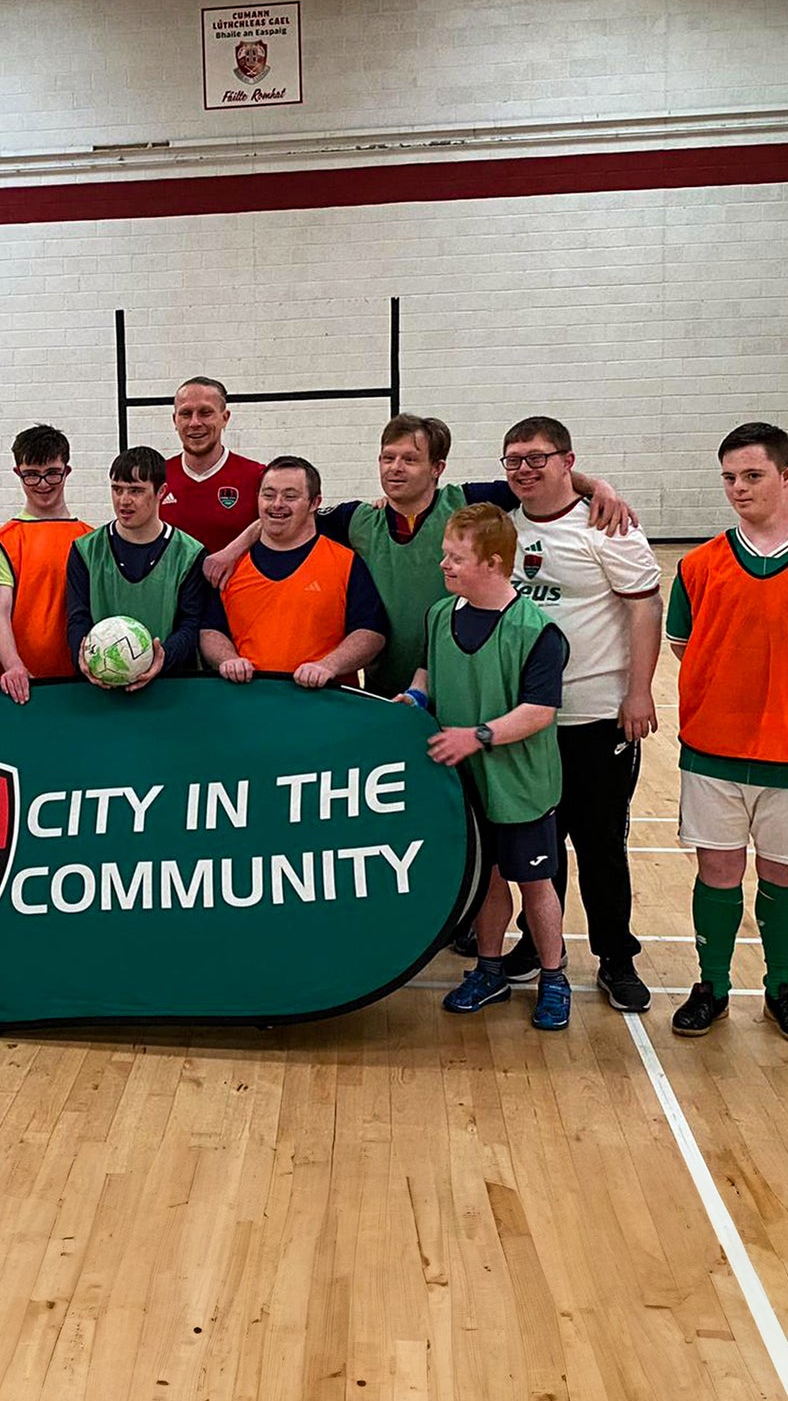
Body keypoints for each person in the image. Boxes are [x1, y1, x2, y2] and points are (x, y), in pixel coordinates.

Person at [206, 413, 631, 698]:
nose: (395, 468)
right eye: (388, 458)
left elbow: (536, 476)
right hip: (382, 682)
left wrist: (598, 487)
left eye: (409, 459)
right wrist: (232, 549)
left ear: (437, 467)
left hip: (457, 679)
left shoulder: (466, 502)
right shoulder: (358, 519)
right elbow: (288, 514)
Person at [667, 422, 788, 1045]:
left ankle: (782, 988)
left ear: (787, 477)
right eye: (729, 478)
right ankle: (712, 984)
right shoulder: (697, 565)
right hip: (712, 750)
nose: (738, 489)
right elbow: (686, 646)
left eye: (752, 476)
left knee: (784, 875)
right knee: (717, 870)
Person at [494, 416, 662, 1013]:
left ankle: (616, 957)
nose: (524, 469)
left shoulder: (605, 526)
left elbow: (645, 610)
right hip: (530, 721)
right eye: (513, 459)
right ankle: (543, 949)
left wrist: (639, 692)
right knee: (539, 846)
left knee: (600, 848)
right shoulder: (503, 529)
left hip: (598, 718)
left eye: (537, 458)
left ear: (568, 461)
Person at [401, 504, 571, 1031]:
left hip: (519, 786)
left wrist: (477, 736)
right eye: (444, 556)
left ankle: (554, 976)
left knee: (535, 884)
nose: (444, 566)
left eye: (456, 558)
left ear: (494, 564)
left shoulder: (537, 631)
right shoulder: (439, 614)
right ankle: (490, 970)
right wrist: (414, 697)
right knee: (488, 882)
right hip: (463, 785)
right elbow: (428, 668)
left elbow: (539, 711)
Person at [199, 456, 389, 688]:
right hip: (248, 701)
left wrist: (329, 665)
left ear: (314, 503)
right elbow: (210, 630)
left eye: (290, 496)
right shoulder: (232, 566)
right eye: (268, 495)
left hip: (324, 704)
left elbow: (371, 633)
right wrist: (227, 660)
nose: (277, 504)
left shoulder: (345, 562)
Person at [67, 445, 211, 691]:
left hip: (170, 688)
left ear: (161, 492)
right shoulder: (85, 550)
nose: (124, 501)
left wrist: (160, 659)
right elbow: (77, 617)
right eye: (117, 489)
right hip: (102, 690)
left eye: (136, 490)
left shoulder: (189, 554)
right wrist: (83, 657)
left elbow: (190, 625)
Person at [0, 425, 92, 703]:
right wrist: (13, 666)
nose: (43, 484)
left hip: (81, 681)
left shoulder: (90, 539)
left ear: (66, 471)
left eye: (52, 473)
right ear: (18, 473)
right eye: (32, 475)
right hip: (19, 685)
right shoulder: (3, 542)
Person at [163, 377, 266, 553]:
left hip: (238, 581)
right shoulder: (156, 477)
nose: (195, 423)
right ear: (175, 420)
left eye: (205, 413)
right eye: (186, 414)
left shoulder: (257, 476)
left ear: (225, 418)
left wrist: (230, 554)